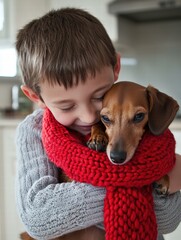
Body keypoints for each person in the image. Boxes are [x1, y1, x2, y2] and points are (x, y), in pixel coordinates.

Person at [15, 8, 181, 240]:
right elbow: (39, 217)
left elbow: (168, 220)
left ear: (115, 68)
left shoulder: (147, 128)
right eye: (66, 106)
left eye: (99, 96)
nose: (88, 116)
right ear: (35, 97)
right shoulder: (33, 132)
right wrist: (136, 179)